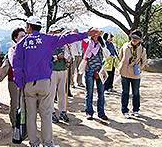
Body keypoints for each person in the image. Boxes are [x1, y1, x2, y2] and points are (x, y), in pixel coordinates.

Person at [13, 16, 100, 147]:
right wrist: (86, 34)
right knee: (46, 113)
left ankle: (34, 143)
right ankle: (48, 143)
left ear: (29, 27)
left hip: (28, 84)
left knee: (31, 115)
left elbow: (16, 64)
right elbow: (67, 38)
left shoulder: (22, 43)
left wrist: (20, 84)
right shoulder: (48, 39)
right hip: (44, 83)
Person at [118, 29, 147, 119]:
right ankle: (125, 110)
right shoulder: (125, 46)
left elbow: (144, 61)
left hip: (135, 73)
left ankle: (136, 109)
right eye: (133, 37)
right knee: (125, 92)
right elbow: (120, 56)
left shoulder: (142, 49)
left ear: (139, 40)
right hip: (125, 72)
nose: (134, 39)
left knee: (136, 92)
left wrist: (139, 69)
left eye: (136, 38)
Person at [84, 33, 109, 121]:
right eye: (94, 36)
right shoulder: (88, 43)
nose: (96, 38)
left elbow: (107, 55)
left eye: (98, 36)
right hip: (89, 70)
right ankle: (89, 112)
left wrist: (103, 45)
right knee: (89, 92)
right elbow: (85, 55)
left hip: (99, 70)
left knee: (101, 93)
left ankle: (101, 112)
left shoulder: (102, 45)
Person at [50, 26, 71, 123]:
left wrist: (67, 58)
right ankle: (52, 111)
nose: (58, 33)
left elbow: (70, 57)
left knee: (62, 92)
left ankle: (62, 110)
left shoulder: (64, 44)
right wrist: (57, 57)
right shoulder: (49, 44)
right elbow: (47, 58)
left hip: (63, 69)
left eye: (59, 32)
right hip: (53, 70)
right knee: (52, 92)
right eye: (56, 32)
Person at [7, 28, 26, 128]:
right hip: (14, 79)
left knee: (24, 101)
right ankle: (14, 121)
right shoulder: (12, 50)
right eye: (21, 36)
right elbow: (13, 63)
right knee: (15, 101)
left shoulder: (27, 49)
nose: (24, 38)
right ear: (15, 38)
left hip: (26, 80)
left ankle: (22, 121)